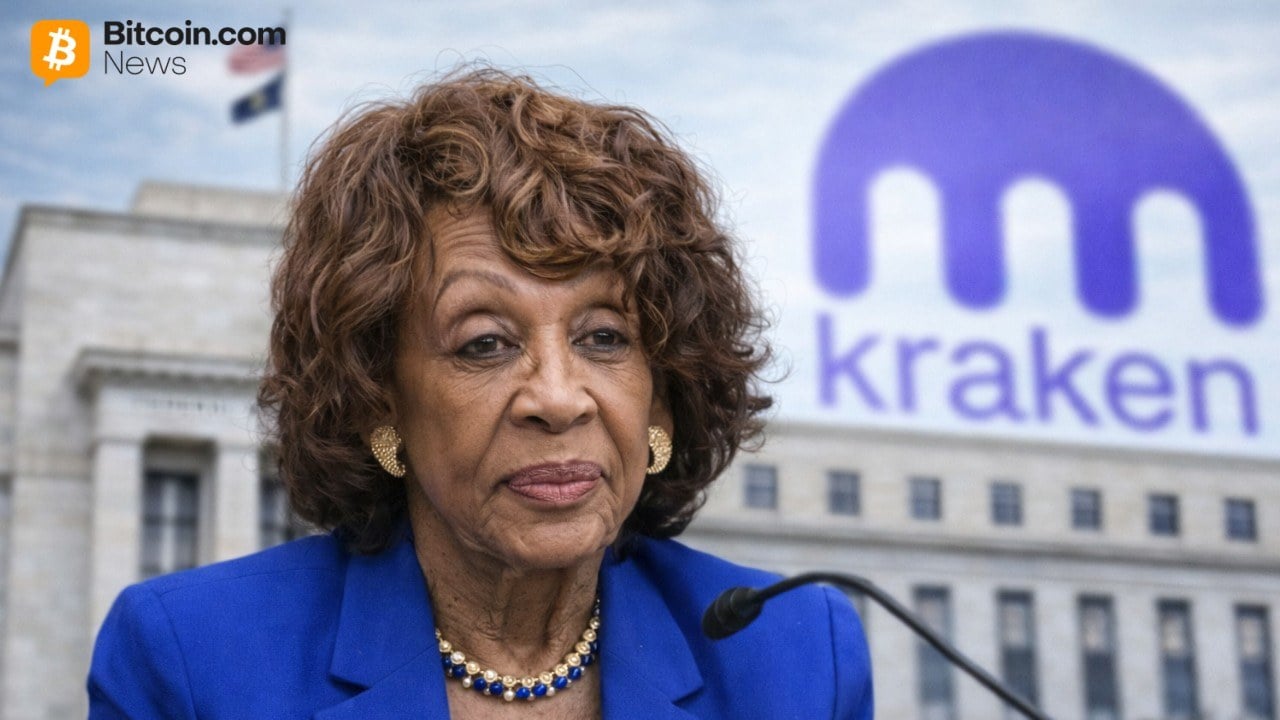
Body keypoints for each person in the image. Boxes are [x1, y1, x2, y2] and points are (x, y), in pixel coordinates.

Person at [87, 68, 873, 719]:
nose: (558, 399)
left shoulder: (795, 656)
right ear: (380, 400)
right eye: (485, 343)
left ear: (661, 396)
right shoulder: (190, 661)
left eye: (604, 337)